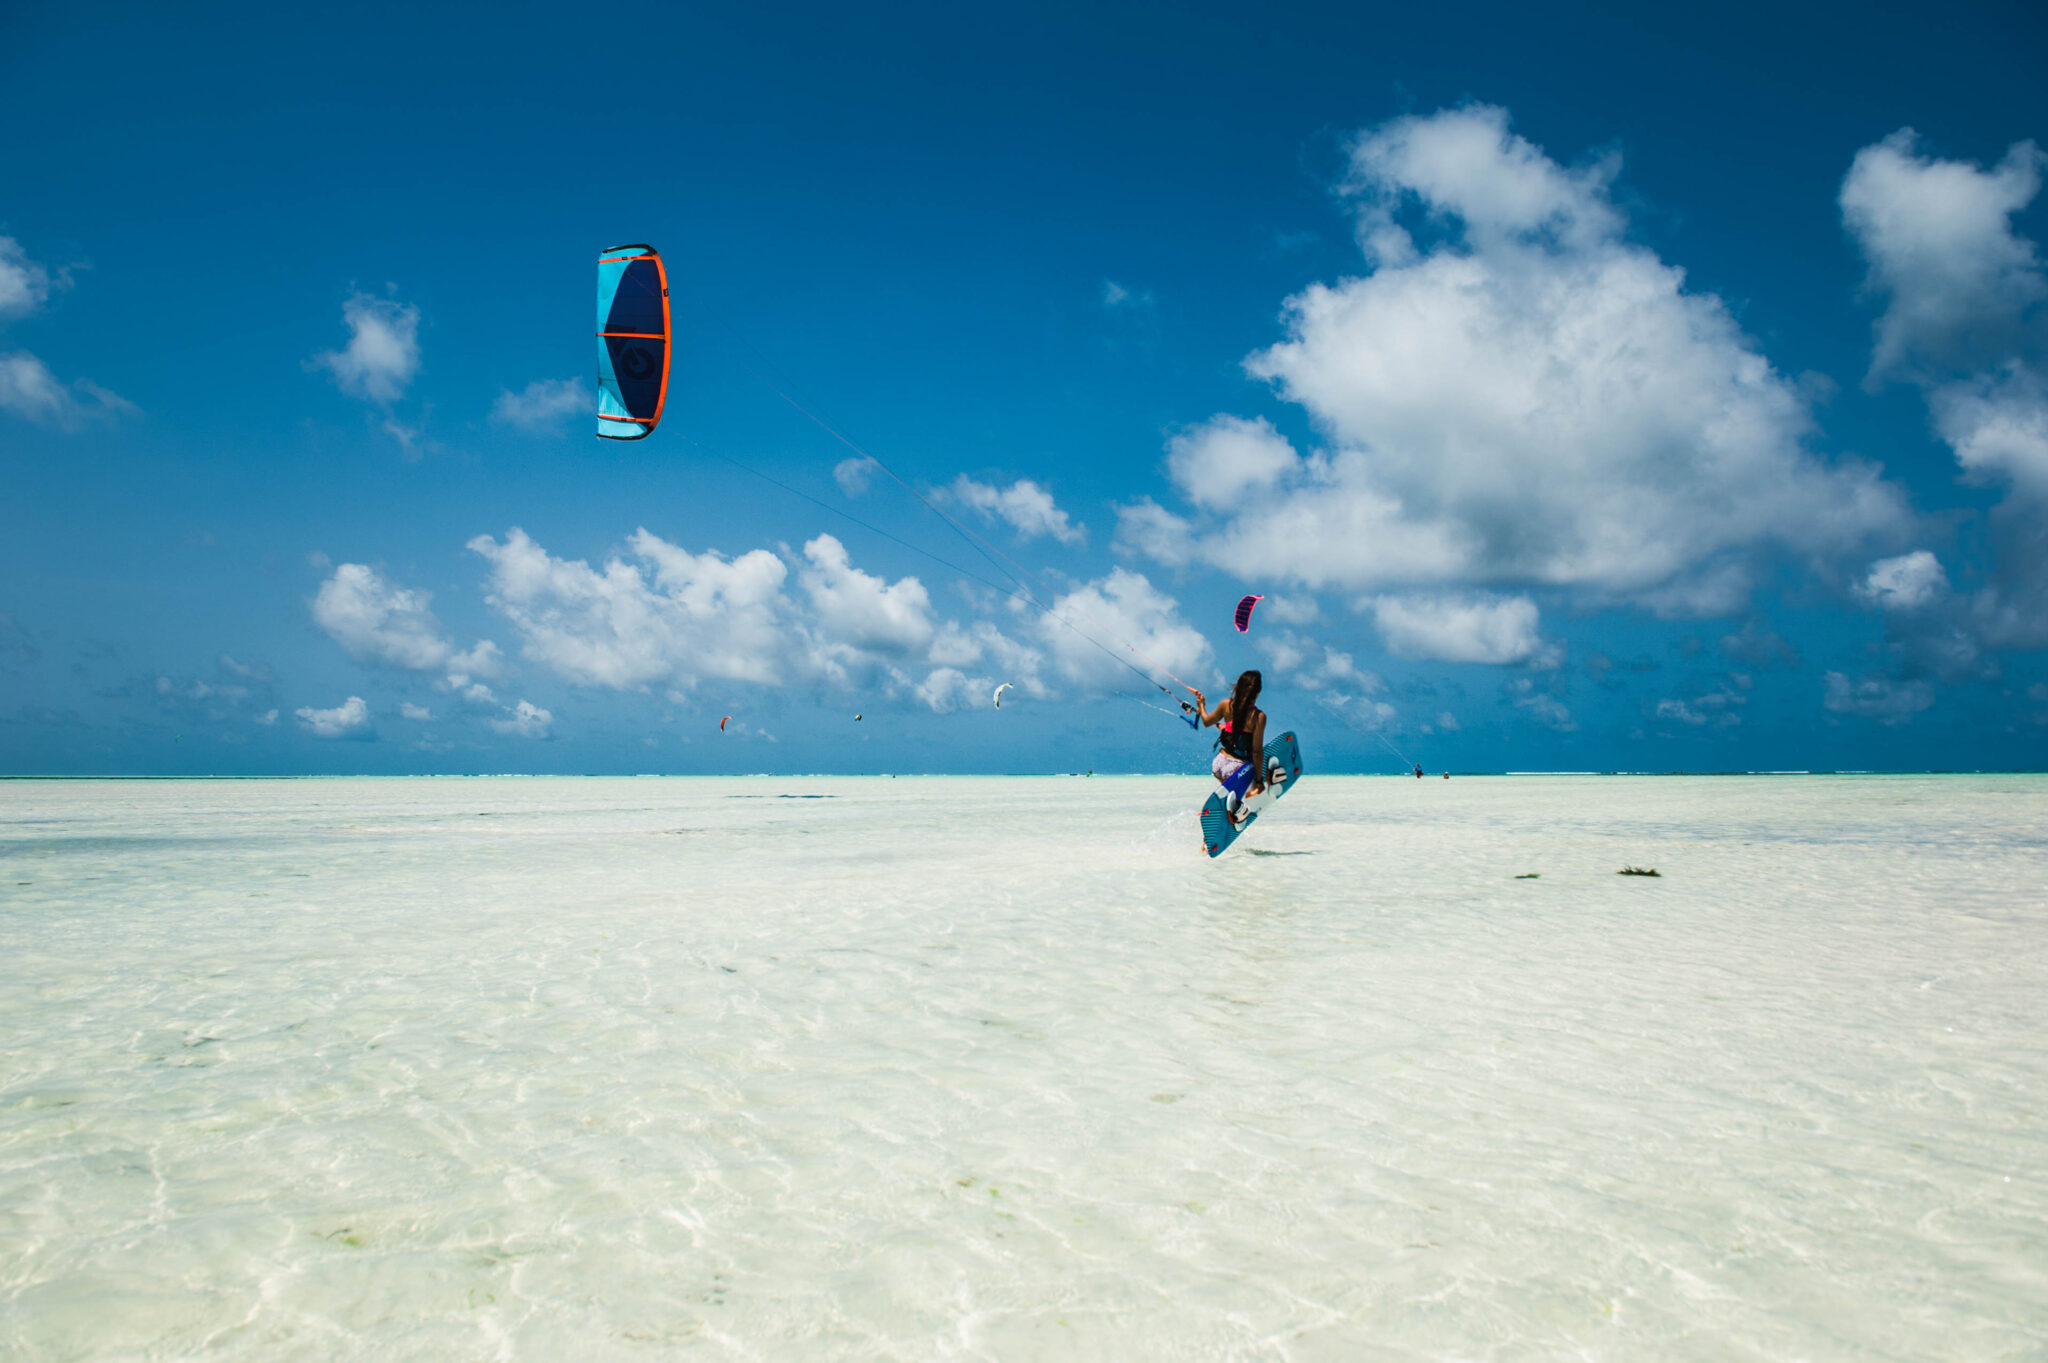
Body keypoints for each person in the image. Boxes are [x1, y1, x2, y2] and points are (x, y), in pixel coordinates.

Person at [1191, 669, 1278, 821]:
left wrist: (1201, 705)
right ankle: (1235, 809)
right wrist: (1259, 781)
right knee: (1236, 800)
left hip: (1218, 764)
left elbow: (1206, 721)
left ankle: (1224, 808)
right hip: (1237, 768)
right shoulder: (1258, 717)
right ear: (1257, 693)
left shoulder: (1225, 705)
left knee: (1227, 797)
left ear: (1237, 688)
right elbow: (1257, 751)